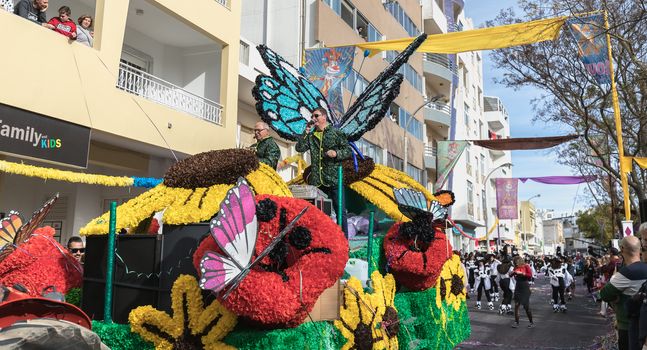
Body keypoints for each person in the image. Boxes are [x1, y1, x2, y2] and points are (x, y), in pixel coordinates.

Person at [296, 108, 352, 234]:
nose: (313, 118)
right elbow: (299, 148)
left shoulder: (336, 132)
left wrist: (336, 153)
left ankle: (343, 242)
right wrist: (305, 132)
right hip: (317, 181)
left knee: (340, 211)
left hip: (334, 179)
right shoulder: (310, 136)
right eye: (312, 116)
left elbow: (348, 151)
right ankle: (322, 241)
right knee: (319, 213)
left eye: (316, 116)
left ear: (324, 117)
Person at [600, 236, 647, 350]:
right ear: (639, 249)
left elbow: (604, 294)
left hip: (628, 325)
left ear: (622, 249)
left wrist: (617, 298)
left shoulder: (626, 273)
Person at [511, 255, 534, 328]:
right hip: (518, 287)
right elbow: (511, 276)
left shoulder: (526, 266)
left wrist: (522, 273)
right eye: (515, 262)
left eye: (517, 262)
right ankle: (516, 322)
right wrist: (512, 273)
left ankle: (531, 322)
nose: (516, 263)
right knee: (516, 305)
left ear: (520, 261)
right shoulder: (515, 267)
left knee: (526, 306)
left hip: (525, 288)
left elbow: (530, 276)